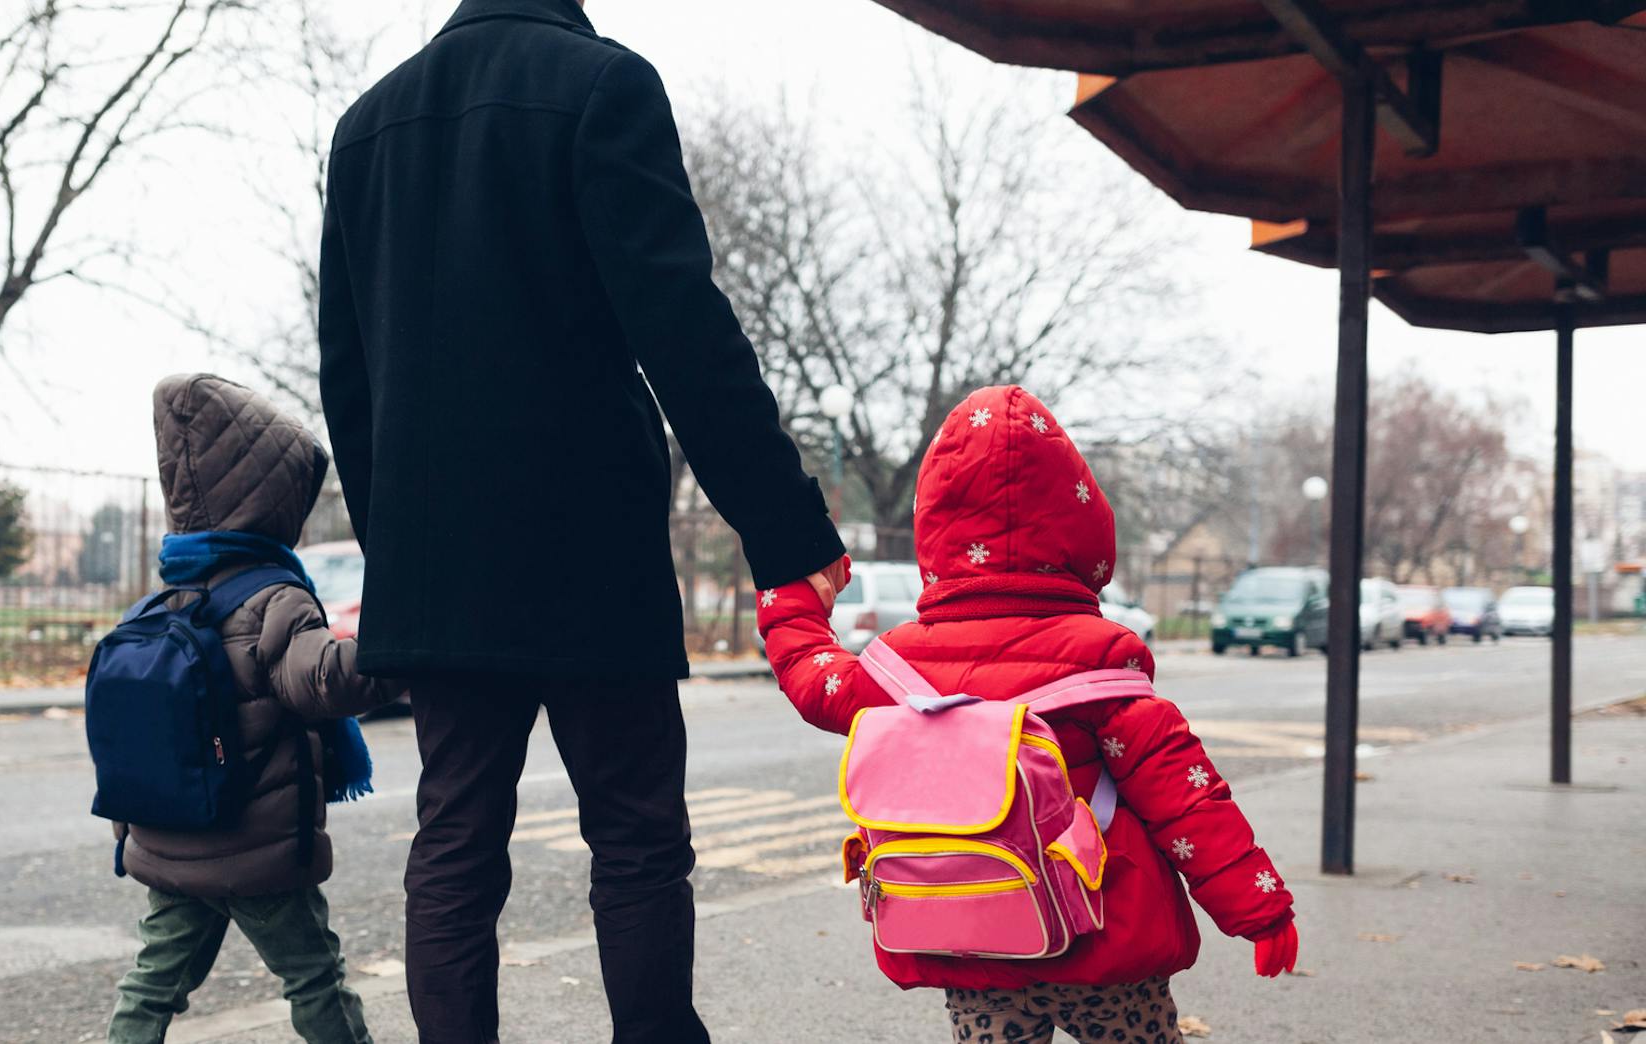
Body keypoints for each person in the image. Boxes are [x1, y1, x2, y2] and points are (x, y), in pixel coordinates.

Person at [317, 0, 847, 1039]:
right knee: (636, 837)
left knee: (455, 843)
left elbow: (350, 372)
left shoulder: (366, 126)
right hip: (587, 545)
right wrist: (786, 529)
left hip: (439, 558)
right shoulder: (603, 85)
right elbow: (684, 329)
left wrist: (401, 550)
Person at [757, 385, 1299, 1044]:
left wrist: (789, 594)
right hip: (1104, 941)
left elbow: (810, 676)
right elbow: (1184, 800)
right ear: (1085, 527)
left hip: (969, 935)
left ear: (934, 529)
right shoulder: (1102, 662)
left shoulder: (898, 666)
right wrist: (1259, 909)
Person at [105, 374, 399, 1044]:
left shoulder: (159, 603)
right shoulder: (274, 598)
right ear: (273, 499)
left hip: (169, 843)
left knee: (152, 984)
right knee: (315, 978)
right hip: (255, 849)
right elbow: (323, 681)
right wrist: (399, 655)